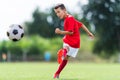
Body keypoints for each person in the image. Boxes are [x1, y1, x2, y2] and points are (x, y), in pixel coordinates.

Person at [53, 3, 94, 79]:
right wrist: (89, 33)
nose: (57, 14)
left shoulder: (70, 18)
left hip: (73, 42)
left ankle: (63, 53)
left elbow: (71, 32)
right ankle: (57, 73)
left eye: (58, 12)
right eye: (56, 13)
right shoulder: (69, 18)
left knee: (65, 51)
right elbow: (81, 24)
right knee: (65, 59)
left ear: (64, 10)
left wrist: (60, 32)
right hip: (72, 42)